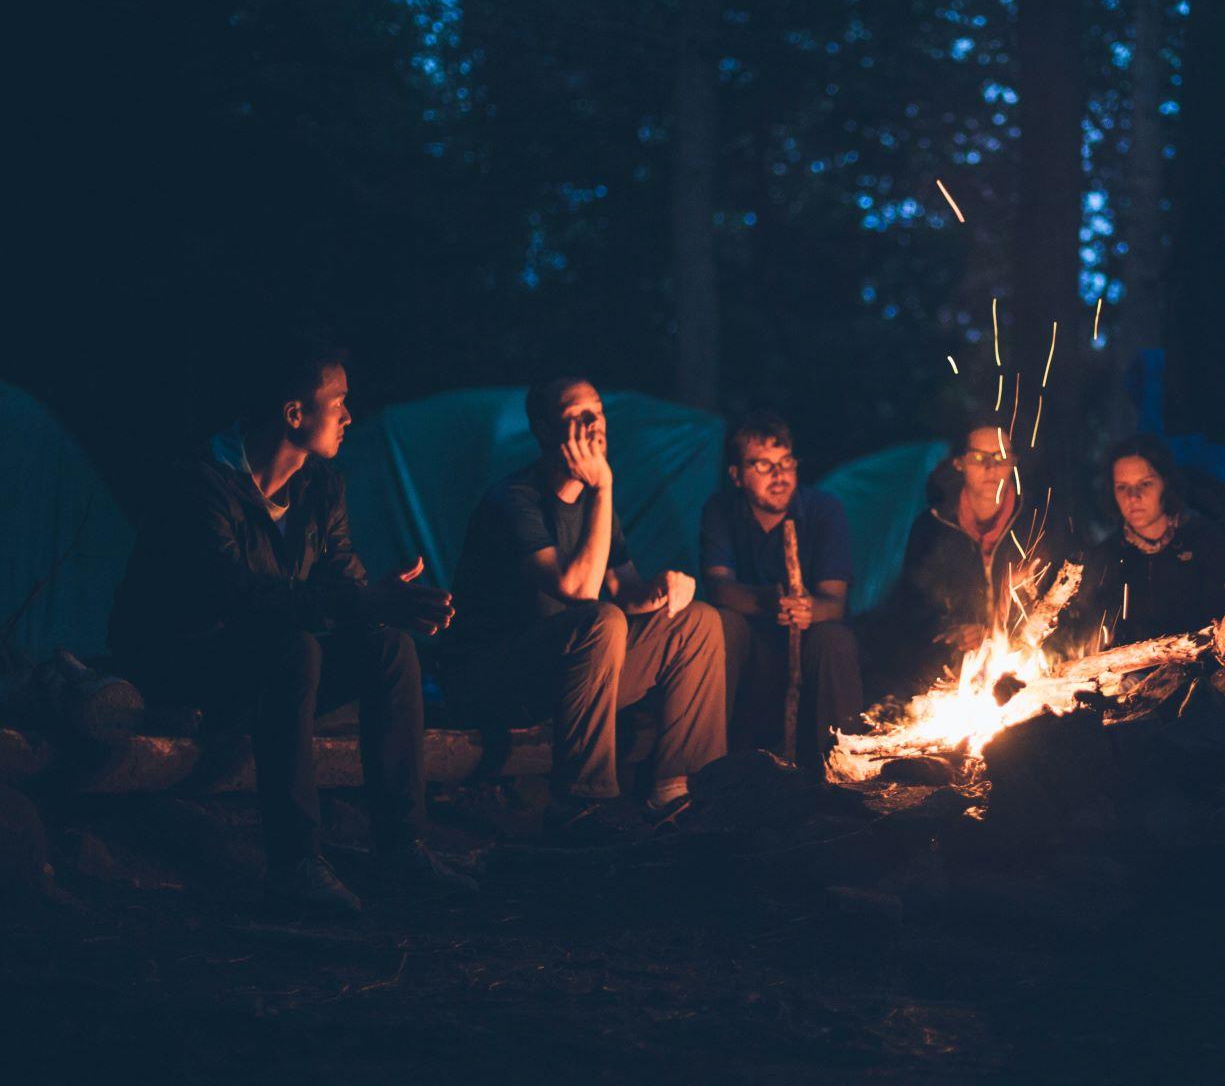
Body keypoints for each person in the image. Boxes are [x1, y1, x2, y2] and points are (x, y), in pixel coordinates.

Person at [109, 338, 474, 913]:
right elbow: (239, 595)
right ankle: (295, 863)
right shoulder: (200, 484)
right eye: (339, 402)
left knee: (387, 649)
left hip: (266, 666)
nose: (350, 416)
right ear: (294, 413)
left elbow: (338, 578)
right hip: (182, 669)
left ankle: (401, 846)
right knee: (293, 648)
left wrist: (379, 601)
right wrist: (361, 601)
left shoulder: (320, 485)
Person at [440, 377, 727, 834]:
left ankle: (674, 791)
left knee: (697, 621)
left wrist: (664, 588)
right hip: (498, 678)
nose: (595, 424)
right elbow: (578, 588)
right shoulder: (513, 501)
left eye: (598, 411)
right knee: (601, 620)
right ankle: (583, 803)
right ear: (544, 430)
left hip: (575, 673)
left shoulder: (597, 507)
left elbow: (624, 587)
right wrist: (603, 487)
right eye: (578, 415)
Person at [699, 412, 861, 770]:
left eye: (786, 463)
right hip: (753, 646)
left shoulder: (822, 511)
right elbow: (718, 587)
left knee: (834, 639)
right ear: (737, 475)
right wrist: (766, 601)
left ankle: (843, 771)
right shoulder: (722, 510)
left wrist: (807, 609)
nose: (779, 476)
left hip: (808, 643)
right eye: (763, 465)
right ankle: (709, 767)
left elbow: (834, 603)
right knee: (719, 623)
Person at [880, 415, 1049, 686]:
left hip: (1025, 663)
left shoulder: (1036, 524)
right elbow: (911, 610)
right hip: (952, 670)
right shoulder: (932, 528)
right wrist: (951, 631)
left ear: (1014, 463)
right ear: (959, 463)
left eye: (1001, 457)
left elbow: (1061, 600)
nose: (992, 467)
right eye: (980, 458)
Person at [1067, 434, 1225, 651]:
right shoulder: (1106, 558)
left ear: (1165, 483)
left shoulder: (1205, 543)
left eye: (1145, 484)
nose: (1133, 497)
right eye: (1122, 487)